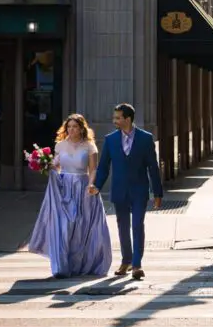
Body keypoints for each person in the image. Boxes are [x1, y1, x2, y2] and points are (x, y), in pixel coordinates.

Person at [28, 113, 112, 279]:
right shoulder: (60, 145)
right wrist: (43, 163)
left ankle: (82, 264)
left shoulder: (89, 146)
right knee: (65, 226)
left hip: (83, 187)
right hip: (64, 187)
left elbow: (93, 169)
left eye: (75, 127)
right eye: (69, 127)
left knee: (82, 226)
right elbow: (56, 166)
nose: (71, 130)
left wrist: (91, 184)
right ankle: (63, 265)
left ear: (81, 128)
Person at [89, 103, 163, 279]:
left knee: (137, 225)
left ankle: (137, 265)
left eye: (118, 117)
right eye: (114, 117)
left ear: (127, 119)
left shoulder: (146, 138)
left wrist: (157, 193)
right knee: (123, 227)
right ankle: (126, 261)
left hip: (140, 190)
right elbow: (104, 167)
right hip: (119, 190)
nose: (114, 120)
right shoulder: (110, 139)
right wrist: (96, 186)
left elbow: (153, 167)